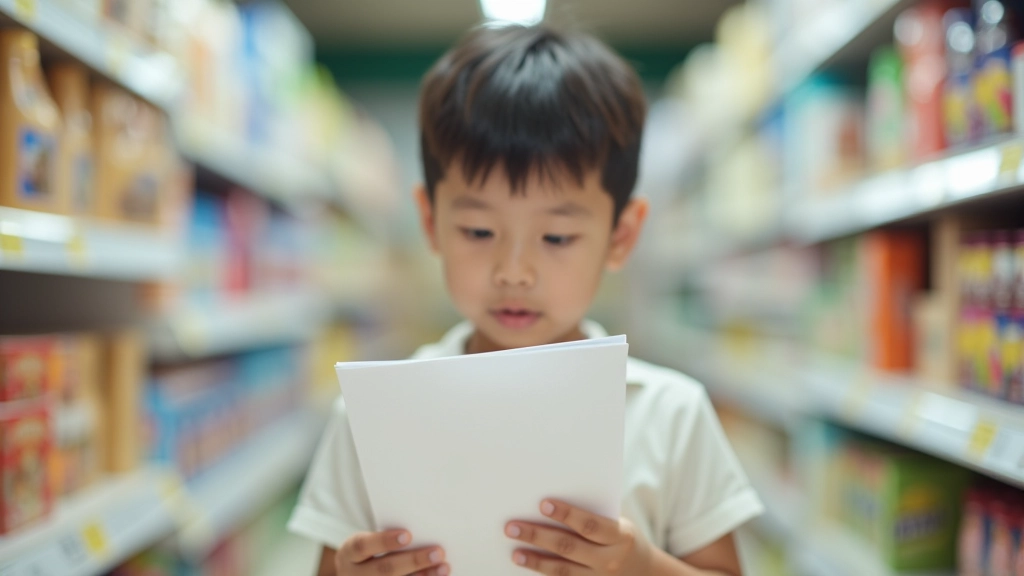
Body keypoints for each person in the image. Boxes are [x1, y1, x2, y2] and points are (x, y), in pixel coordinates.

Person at [288, 23, 764, 576]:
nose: (514, 272)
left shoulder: (672, 415)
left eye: (557, 237)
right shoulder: (370, 417)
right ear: (430, 222)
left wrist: (642, 565)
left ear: (621, 236)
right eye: (478, 232)